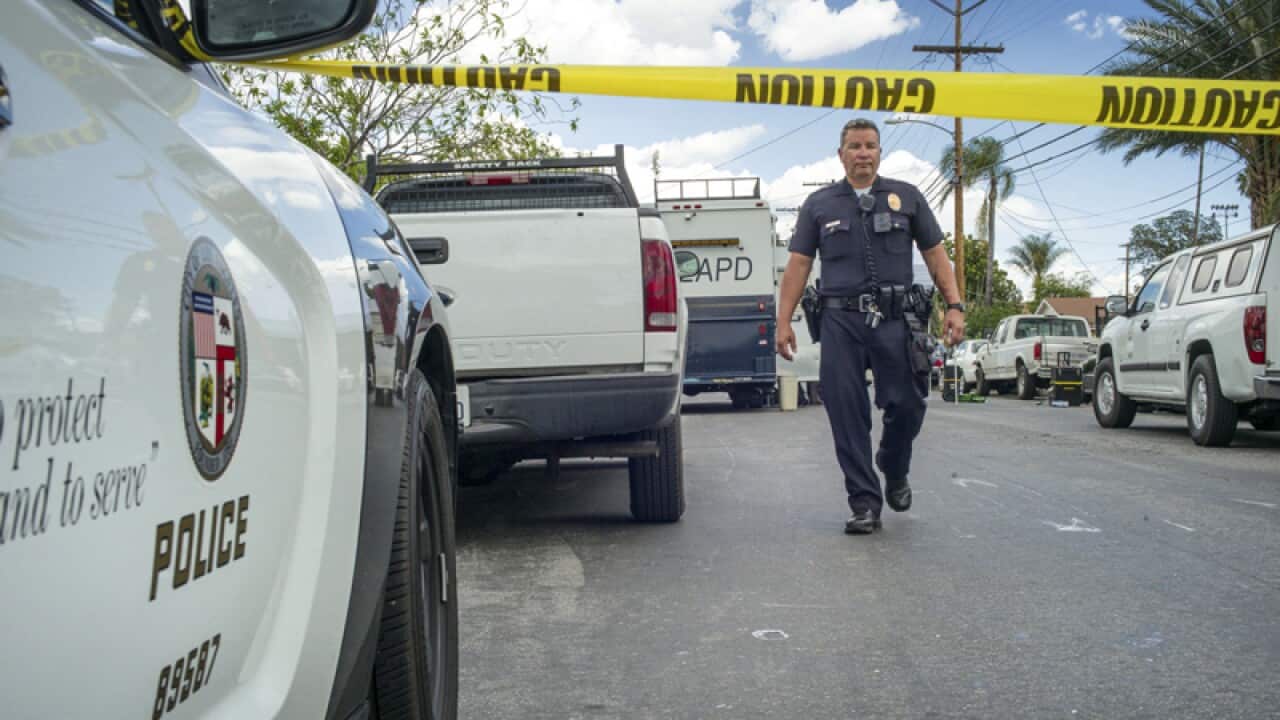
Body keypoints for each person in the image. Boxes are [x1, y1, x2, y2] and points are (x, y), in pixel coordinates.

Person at [776, 118, 965, 535]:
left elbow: (936, 254)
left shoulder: (907, 198)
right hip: (840, 320)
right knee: (847, 412)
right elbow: (799, 265)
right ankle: (864, 502)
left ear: (880, 152)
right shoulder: (820, 205)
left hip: (895, 319)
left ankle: (893, 466)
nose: (863, 153)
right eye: (855, 146)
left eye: (871, 146)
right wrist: (783, 320)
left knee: (908, 404)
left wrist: (955, 305)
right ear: (841, 154)